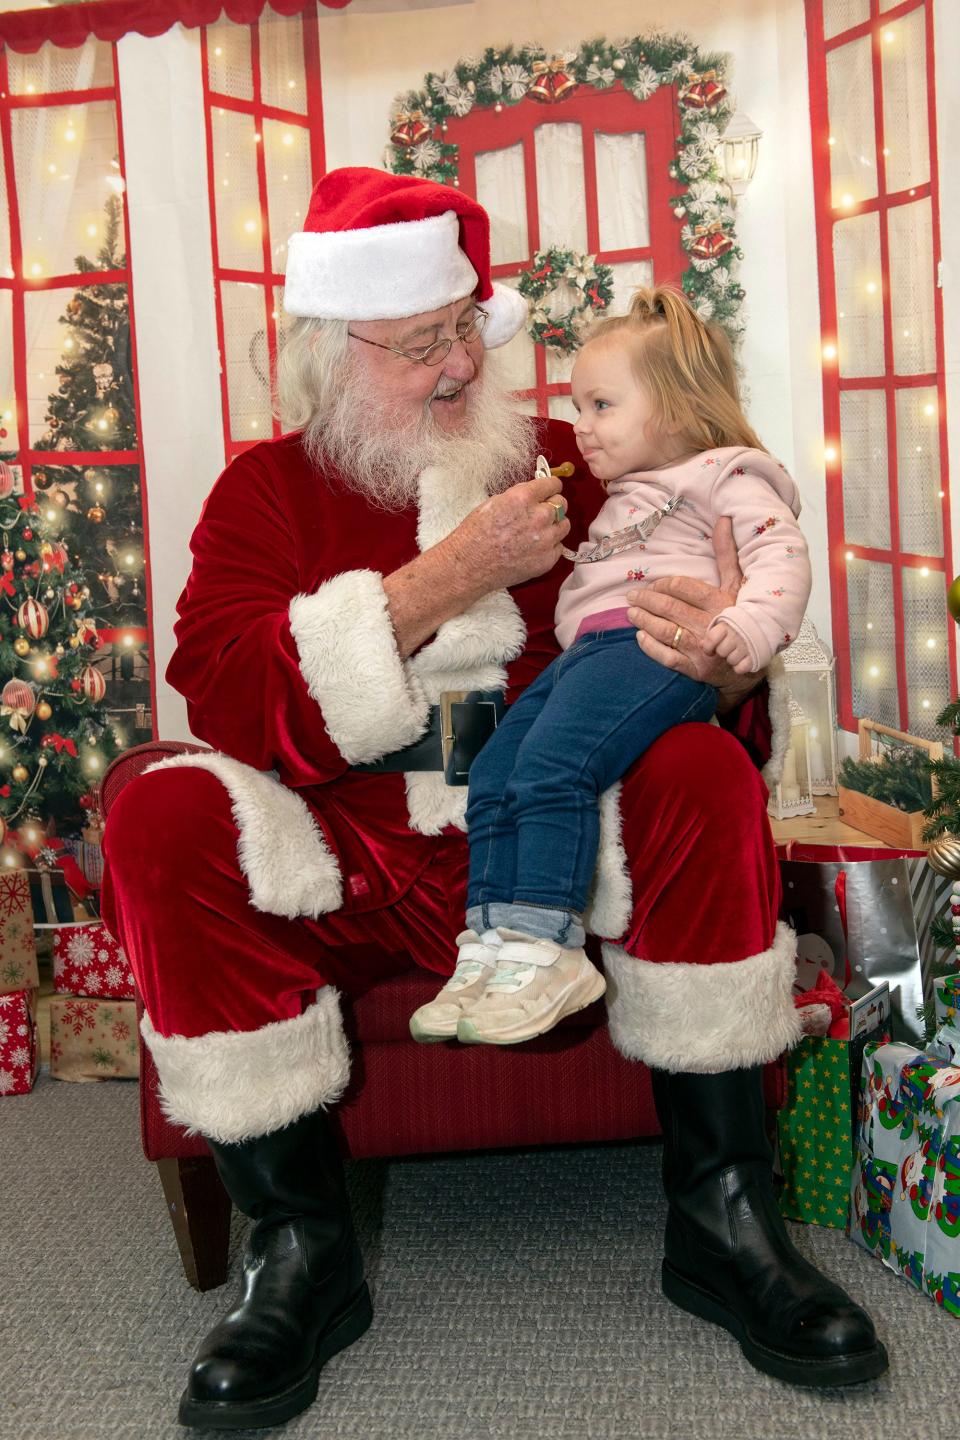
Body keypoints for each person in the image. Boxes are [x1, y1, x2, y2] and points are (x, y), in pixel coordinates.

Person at [101, 167, 887, 1431]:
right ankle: (301, 1251)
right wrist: (438, 582)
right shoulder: (265, 491)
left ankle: (721, 1219)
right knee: (160, 812)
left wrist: (713, 645)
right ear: (330, 353)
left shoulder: (587, 459)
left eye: (468, 327)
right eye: (421, 346)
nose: (463, 366)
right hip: (353, 845)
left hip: (570, 843)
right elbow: (224, 691)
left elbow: (717, 591)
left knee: (695, 765)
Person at [410, 286, 812, 1048]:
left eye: (601, 406)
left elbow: (780, 555)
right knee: (493, 767)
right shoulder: (627, 492)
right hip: (592, 650)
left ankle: (545, 944)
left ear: (682, 408)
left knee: (554, 766)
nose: (582, 428)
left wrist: (746, 630)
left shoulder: (727, 471)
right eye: (578, 405)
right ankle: (490, 943)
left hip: (645, 646)